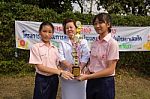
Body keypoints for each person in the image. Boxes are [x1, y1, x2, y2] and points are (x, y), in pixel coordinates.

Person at [77, 13, 119, 99]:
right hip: (91, 82)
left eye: (100, 22)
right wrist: (84, 73)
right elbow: (93, 63)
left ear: (108, 24)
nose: (97, 26)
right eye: (95, 23)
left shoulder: (112, 43)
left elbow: (110, 70)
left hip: (105, 83)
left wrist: (88, 76)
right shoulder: (94, 43)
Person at [29, 22, 74, 99]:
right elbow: (40, 67)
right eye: (44, 31)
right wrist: (60, 72)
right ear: (39, 32)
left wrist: (70, 67)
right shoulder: (35, 47)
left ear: (53, 34)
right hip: (42, 79)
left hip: (54, 79)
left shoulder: (55, 48)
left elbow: (57, 66)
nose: (47, 34)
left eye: (50, 32)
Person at [58, 18, 90, 99]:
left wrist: (80, 68)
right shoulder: (62, 42)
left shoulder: (83, 41)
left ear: (76, 28)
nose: (69, 29)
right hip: (67, 75)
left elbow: (86, 55)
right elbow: (60, 56)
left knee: (81, 96)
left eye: (71, 27)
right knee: (67, 96)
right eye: (67, 28)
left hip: (80, 75)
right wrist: (69, 66)